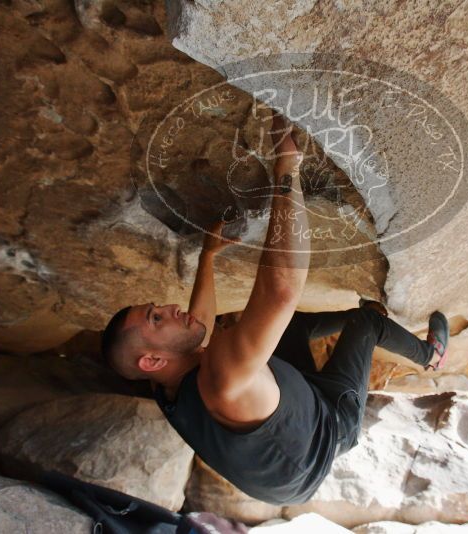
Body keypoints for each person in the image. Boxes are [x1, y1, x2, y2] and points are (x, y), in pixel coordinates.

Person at [101, 113, 450, 505]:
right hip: (324, 434)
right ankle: (429, 355)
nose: (167, 308)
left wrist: (208, 258)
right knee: (365, 323)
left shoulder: (164, 378)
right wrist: (286, 165)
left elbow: (198, 326)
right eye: (156, 318)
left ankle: (355, 315)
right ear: (151, 360)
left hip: (281, 443)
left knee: (286, 329)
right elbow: (282, 289)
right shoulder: (224, 377)